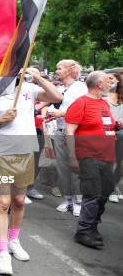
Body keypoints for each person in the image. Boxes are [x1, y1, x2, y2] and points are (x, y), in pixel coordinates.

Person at [0, 67, 62, 276]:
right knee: (3, 203)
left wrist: (38, 76)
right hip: (0, 154)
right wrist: (2, 120)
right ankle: (3, 251)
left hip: (24, 152)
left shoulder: (29, 89)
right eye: (9, 69)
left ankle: (14, 239)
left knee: (19, 201)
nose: (13, 73)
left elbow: (57, 96)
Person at [66, 71, 118, 248]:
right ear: (99, 84)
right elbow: (70, 132)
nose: (111, 83)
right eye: (107, 80)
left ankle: (92, 226)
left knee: (105, 192)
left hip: (107, 155)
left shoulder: (103, 103)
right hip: (88, 155)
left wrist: (117, 125)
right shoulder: (81, 103)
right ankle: (83, 231)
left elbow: (106, 124)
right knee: (93, 193)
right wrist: (72, 157)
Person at [49, 60, 87, 215]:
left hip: (75, 133)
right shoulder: (59, 88)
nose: (56, 70)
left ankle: (79, 200)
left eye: (59, 68)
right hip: (59, 130)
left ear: (71, 70)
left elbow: (82, 109)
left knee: (75, 167)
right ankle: (68, 198)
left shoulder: (80, 88)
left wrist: (62, 113)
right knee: (62, 167)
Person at [105, 73, 123, 203]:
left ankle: (113, 187)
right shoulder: (106, 100)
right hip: (108, 135)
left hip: (120, 135)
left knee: (118, 163)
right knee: (111, 162)